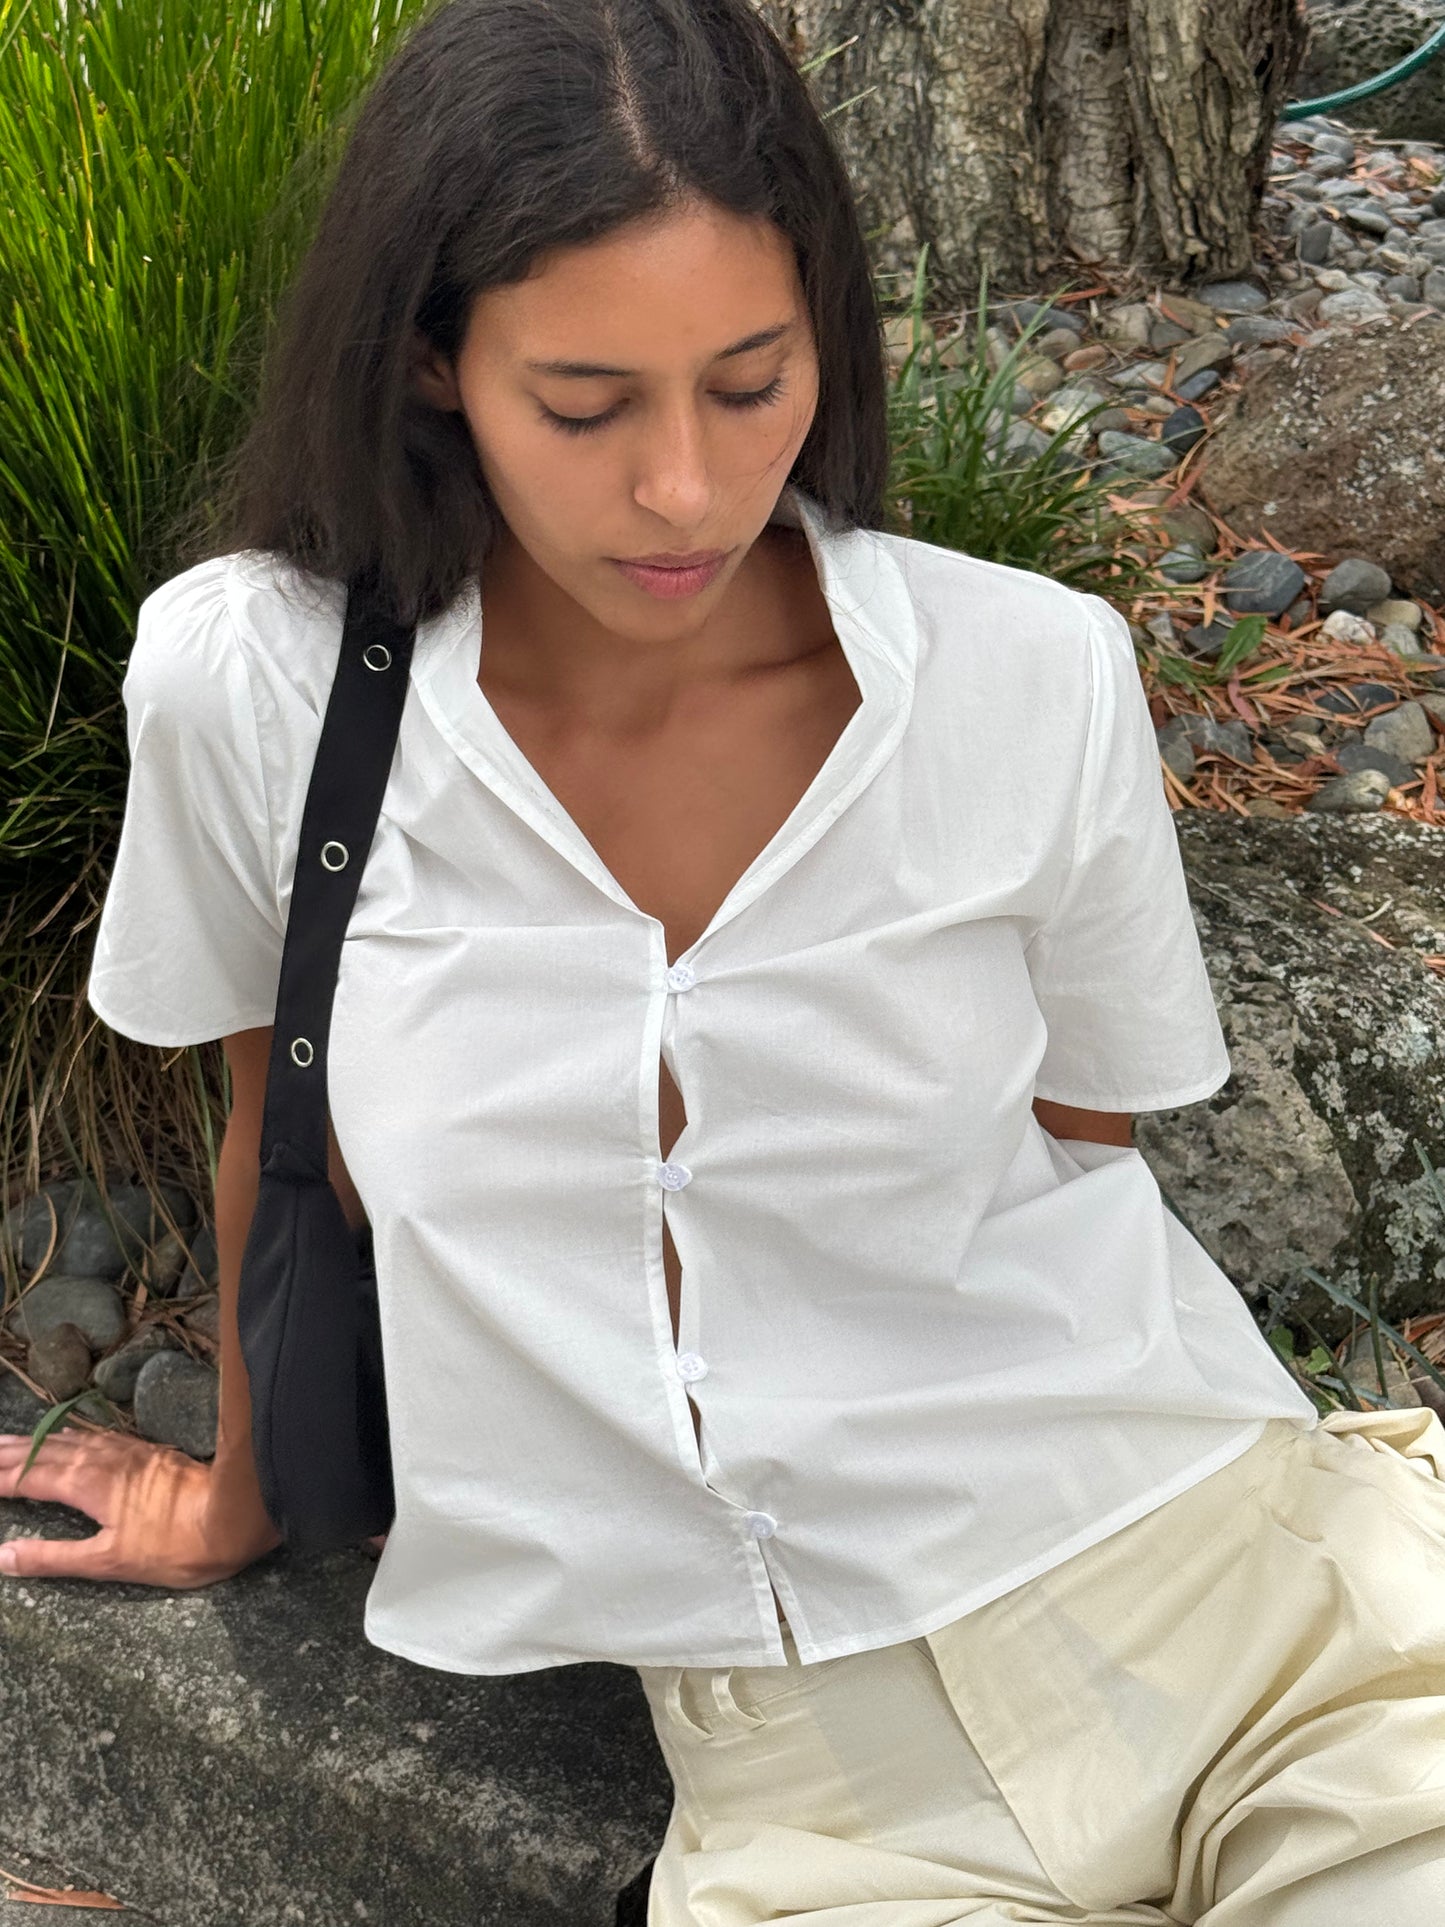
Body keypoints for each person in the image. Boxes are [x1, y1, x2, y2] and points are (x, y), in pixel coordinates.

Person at [4, 0, 1445, 1919]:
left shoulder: (1029, 675)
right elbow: (280, 1126)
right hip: (822, 1802)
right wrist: (241, 1501)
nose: (684, 489)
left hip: (1269, 1616)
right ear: (434, 363)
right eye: (585, 406)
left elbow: (1079, 1153)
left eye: (750, 383)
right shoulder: (255, 690)